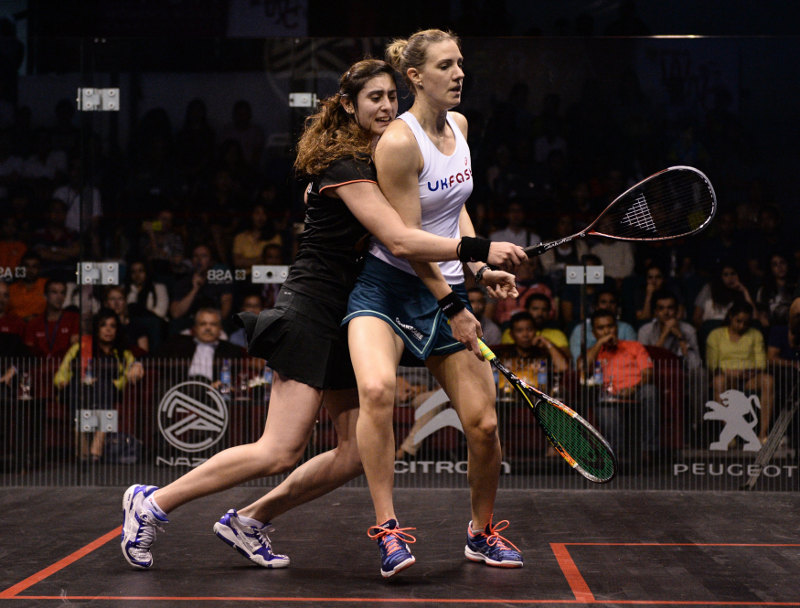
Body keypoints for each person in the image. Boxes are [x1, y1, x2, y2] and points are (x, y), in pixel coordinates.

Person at [120, 58, 524, 572]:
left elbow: (442, 204)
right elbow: (400, 240)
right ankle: (153, 503)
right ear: (349, 106)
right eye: (373, 98)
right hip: (313, 308)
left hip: (350, 310)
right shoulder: (346, 168)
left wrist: (475, 268)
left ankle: (251, 520)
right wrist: (480, 250)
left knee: (353, 454)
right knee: (278, 450)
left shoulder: (381, 153)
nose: (386, 106)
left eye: (391, 96)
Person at [344, 30, 524, 578]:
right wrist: (455, 303)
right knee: (378, 390)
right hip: (389, 288)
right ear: (416, 77)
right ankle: (388, 529)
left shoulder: (460, 127)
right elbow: (409, 241)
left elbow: (454, 209)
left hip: (446, 286)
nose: (459, 73)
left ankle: (481, 532)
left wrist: (479, 269)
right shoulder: (399, 143)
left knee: (484, 425)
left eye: (461, 63)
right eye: (446, 65)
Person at [54, 308, 143, 461]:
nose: (108, 329)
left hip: (109, 391)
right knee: (80, 387)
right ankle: (84, 441)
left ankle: (96, 442)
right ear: (96, 328)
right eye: (103, 325)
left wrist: (136, 365)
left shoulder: (122, 353)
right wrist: (64, 381)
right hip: (79, 390)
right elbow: (61, 373)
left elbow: (130, 370)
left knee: (103, 386)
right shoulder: (81, 347)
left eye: (112, 326)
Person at [583, 309, 659, 461]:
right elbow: (582, 369)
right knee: (600, 397)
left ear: (616, 328)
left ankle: (647, 449)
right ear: (594, 333)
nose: (607, 331)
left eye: (610, 326)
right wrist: (600, 343)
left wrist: (634, 388)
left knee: (650, 390)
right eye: (601, 328)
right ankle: (617, 453)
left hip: (636, 390)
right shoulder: (593, 351)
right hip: (607, 393)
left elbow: (648, 373)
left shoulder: (634, 346)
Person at [706, 300, 773, 443]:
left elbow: (761, 363)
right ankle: (730, 434)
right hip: (727, 378)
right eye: (738, 321)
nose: (742, 326)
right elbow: (712, 364)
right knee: (718, 381)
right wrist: (731, 373)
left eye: (746, 323)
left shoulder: (755, 334)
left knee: (768, 380)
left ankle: (763, 433)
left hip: (750, 378)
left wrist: (750, 372)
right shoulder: (716, 335)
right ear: (730, 316)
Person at [637, 289, 701, 370]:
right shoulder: (645, 331)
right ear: (656, 312)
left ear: (676, 310)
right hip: (655, 373)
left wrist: (680, 336)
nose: (666, 312)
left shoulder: (689, 330)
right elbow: (645, 364)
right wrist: (664, 335)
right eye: (661, 308)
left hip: (681, 373)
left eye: (670, 308)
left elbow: (695, 366)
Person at [569, 287, 636, 362]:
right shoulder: (581, 330)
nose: (608, 306)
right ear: (595, 306)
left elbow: (633, 358)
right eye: (603, 302)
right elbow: (578, 363)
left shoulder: (626, 329)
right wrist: (600, 343)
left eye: (612, 302)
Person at [22, 278, 79, 358]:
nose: (59, 297)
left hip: (65, 365)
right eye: (54, 292)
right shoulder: (33, 324)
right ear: (45, 296)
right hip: (40, 365)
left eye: (62, 293)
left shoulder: (74, 319)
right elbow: (28, 355)